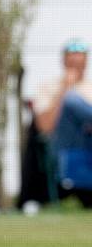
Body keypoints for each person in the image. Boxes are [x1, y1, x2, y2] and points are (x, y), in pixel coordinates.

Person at [31, 38, 92, 207]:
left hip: (88, 143)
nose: (76, 68)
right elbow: (45, 127)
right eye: (72, 62)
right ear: (63, 61)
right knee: (71, 100)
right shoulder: (49, 87)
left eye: (79, 63)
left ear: (86, 63)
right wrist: (65, 88)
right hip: (61, 144)